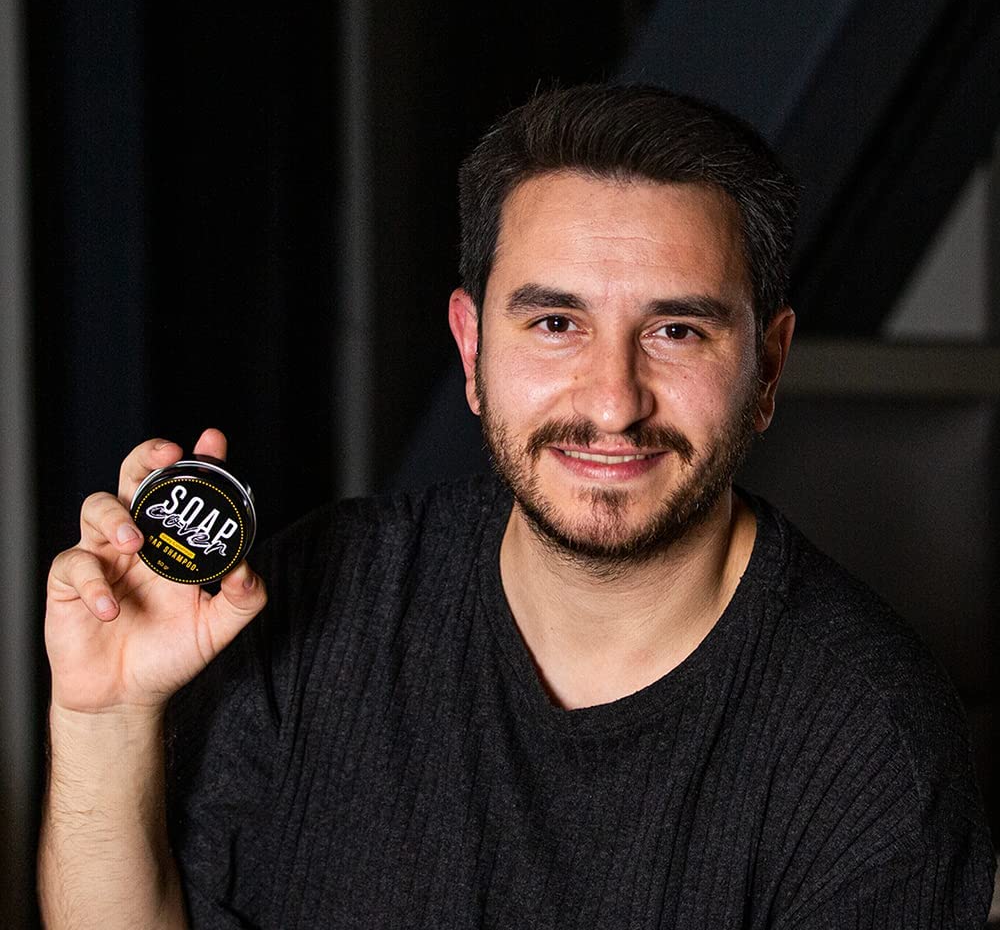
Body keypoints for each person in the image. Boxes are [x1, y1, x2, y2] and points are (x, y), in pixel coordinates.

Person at [39, 84, 995, 928]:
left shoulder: (872, 750)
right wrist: (107, 718)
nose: (613, 402)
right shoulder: (316, 601)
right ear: (471, 349)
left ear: (767, 369)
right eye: (555, 322)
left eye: (675, 330)